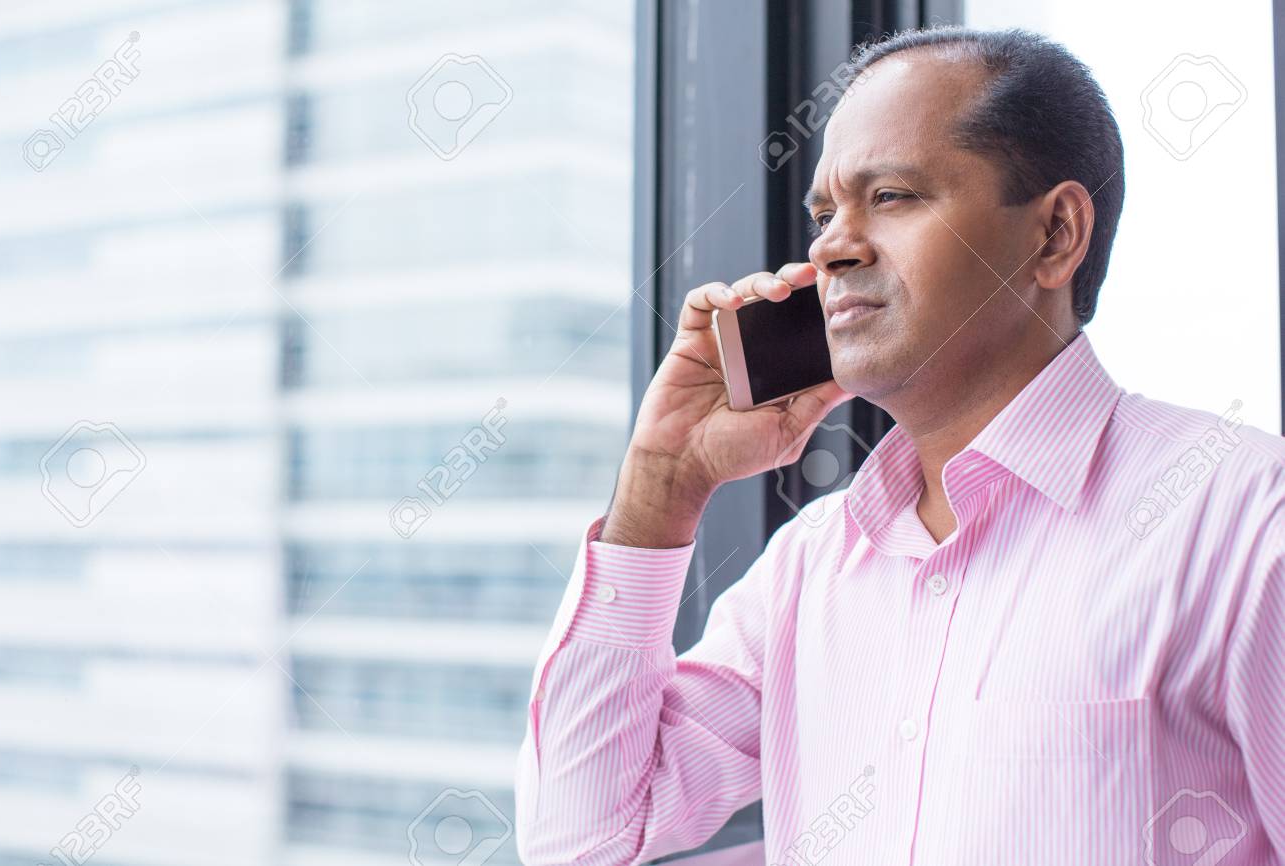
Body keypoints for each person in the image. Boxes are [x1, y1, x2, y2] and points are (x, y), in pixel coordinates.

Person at [514, 25, 1285, 865]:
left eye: (891, 197)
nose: (830, 246)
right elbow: (583, 838)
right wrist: (663, 485)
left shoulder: (1247, 524)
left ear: (1056, 234)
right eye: (823, 212)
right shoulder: (808, 568)